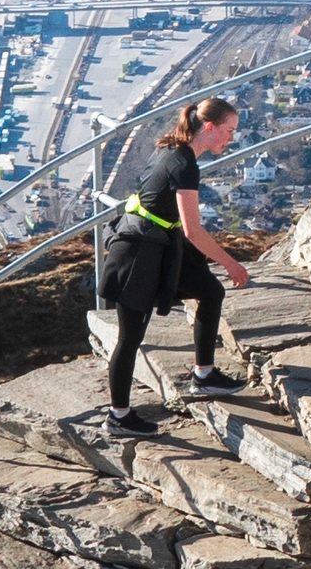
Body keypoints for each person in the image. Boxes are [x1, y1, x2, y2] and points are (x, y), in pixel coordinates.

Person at [104, 95, 252, 431]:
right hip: (136, 253)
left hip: (158, 245)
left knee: (210, 291)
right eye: (228, 131)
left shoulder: (172, 150)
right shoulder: (183, 164)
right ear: (209, 127)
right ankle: (118, 416)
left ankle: (204, 374)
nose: (231, 138)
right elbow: (193, 230)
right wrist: (231, 263)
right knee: (130, 338)